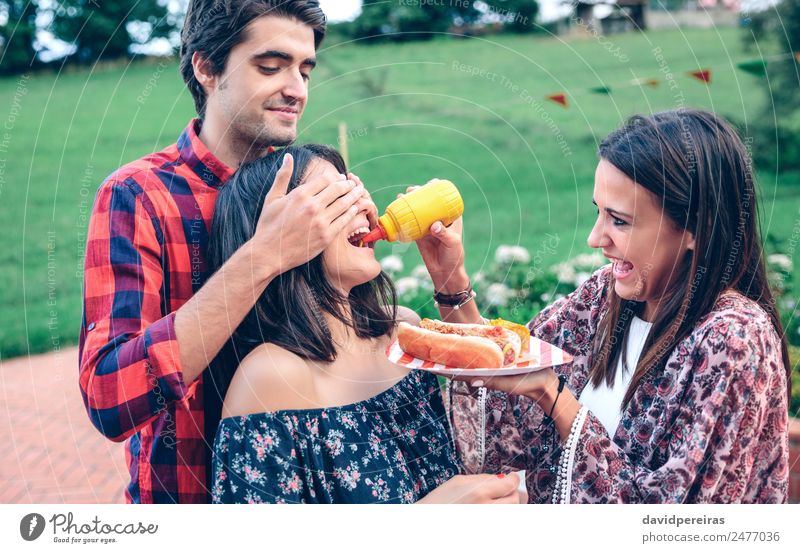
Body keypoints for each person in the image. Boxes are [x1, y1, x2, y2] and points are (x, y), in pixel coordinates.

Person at [410, 109, 791, 503]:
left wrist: (554, 397)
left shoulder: (735, 339)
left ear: (696, 228)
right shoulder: (604, 298)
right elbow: (504, 417)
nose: (595, 238)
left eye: (620, 221)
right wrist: (451, 281)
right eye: (598, 212)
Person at [78, 1, 373, 503]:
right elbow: (110, 397)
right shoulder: (138, 195)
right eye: (270, 66)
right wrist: (262, 257)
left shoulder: (309, 184)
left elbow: (358, 332)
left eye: (305, 70)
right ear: (206, 67)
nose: (297, 89)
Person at [207, 144, 527, 503]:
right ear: (279, 232)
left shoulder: (400, 334)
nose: (365, 203)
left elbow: (501, 438)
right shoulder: (270, 377)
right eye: (335, 196)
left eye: (354, 187)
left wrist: (450, 280)